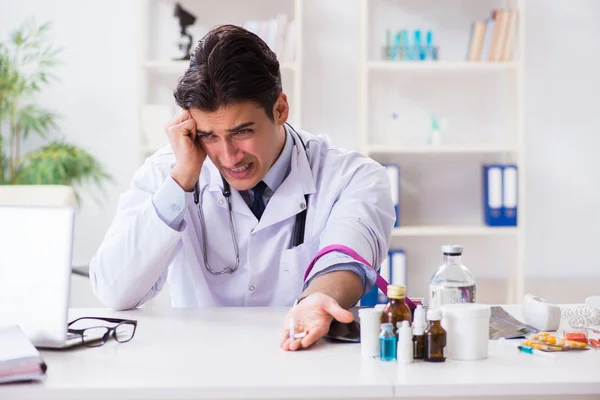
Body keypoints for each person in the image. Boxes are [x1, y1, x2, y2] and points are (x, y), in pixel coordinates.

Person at [89, 25, 395, 351]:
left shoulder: (352, 176)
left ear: (280, 109)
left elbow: (344, 261)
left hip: (305, 362)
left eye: (242, 131)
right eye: (209, 135)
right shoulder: (168, 172)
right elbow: (114, 290)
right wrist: (181, 182)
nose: (228, 155)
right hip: (198, 367)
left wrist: (318, 299)